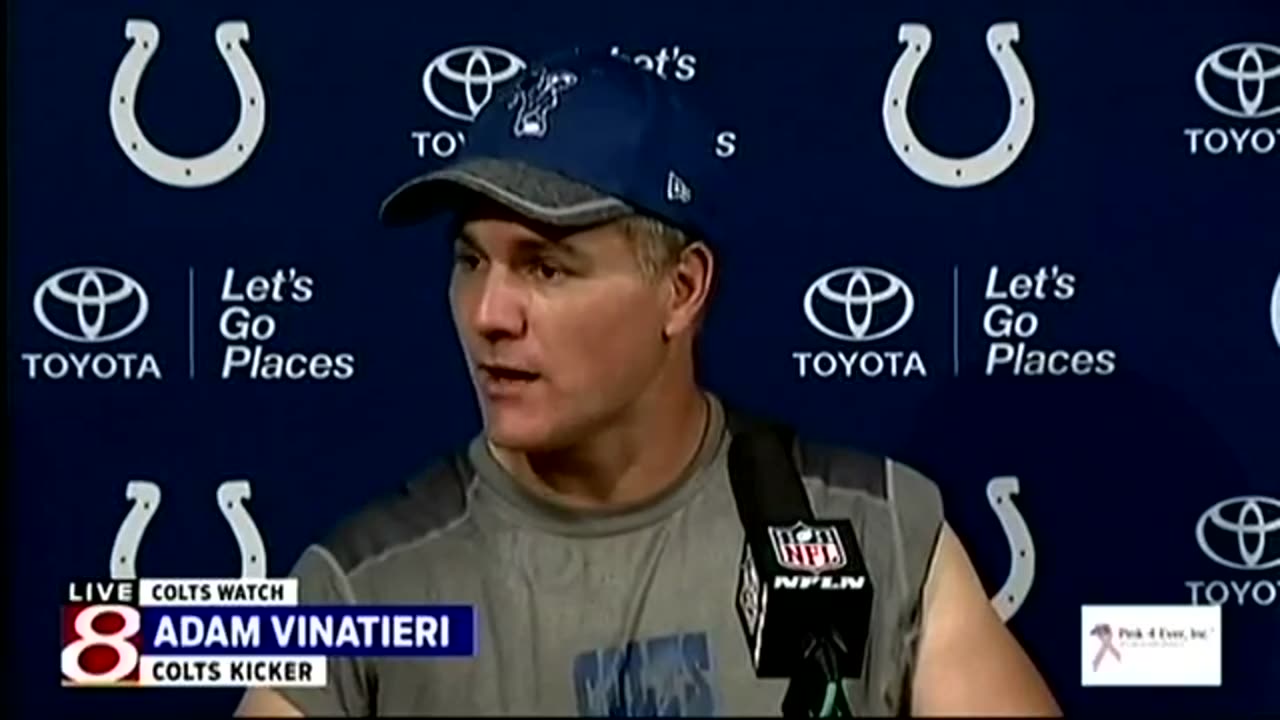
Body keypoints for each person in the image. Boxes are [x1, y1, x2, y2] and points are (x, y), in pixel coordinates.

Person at [236, 48, 1061, 717]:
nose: (489, 312)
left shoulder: (874, 529)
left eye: (547, 269)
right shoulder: (365, 592)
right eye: (469, 260)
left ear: (682, 290)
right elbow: (121, 644)